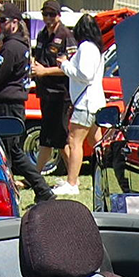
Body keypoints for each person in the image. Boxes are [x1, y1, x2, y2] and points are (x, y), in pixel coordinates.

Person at [0, 2, 53, 201]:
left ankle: (42, 190)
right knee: (10, 151)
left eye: (2, 21)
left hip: (7, 105)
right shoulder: (19, 45)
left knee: (12, 153)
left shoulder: (11, 47)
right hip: (12, 104)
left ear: (14, 23)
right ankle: (29, 191)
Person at [51, 13, 107, 198]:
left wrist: (65, 65)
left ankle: (72, 182)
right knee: (97, 143)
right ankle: (103, 177)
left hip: (85, 103)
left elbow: (84, 75)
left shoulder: (85, 48)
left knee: (74, 142)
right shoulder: (97, 49)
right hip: (96, 102)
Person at [30, 0, 72, 176]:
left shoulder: (66, 35)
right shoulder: (42, 35)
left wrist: (44, 71)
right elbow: (37, 58)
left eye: (51, 14)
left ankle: (37, 175)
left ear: (59, 16)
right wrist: (33, 65)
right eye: (45, 14)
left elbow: (70, 68)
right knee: (54, 139)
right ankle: (70, 176)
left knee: (54, 138)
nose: (48, 18)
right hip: (45, 92)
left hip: (60, 94)